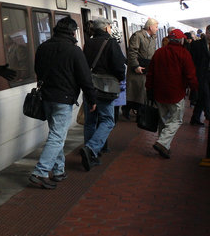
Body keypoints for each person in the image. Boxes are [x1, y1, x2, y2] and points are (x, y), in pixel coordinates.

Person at [31, 16, 97, 189]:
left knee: (55, 134)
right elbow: (85, 78)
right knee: (57, 136)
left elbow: (37, 70)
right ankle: (41, 172)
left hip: (46, 97)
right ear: (72, 32)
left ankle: (59, 170)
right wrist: (92, 99)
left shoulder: (42, 47)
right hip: (63, 99)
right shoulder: (74, 51)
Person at [80, 18, 126, 170]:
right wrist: (119, 78)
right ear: (106, 28)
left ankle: (91, 153)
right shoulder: (111, 42)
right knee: (108, 120)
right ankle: (91, 149)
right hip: (106, 88)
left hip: (89, 87)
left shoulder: (88, 43)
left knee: (90, 121)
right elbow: (119, 66)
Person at [145, 29, 198, 159]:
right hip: (176, 93)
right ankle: (162, 142)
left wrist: (149, 89)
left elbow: (150, 73)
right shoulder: (184, 54)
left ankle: (165, 147)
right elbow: (190, 74)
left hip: (159, 92)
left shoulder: (158, 53)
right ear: (181, 40)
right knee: (176, 120)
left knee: (163, 120)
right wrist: (195, 89)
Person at [125, 18, 158, 119]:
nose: (157, 29)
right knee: (135, 91)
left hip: (147, 67)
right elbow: (132, 52)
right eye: (156, 27)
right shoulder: (138, 36)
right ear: (150, 27)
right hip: (137, 68)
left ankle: (140, 112)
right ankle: (127, 109)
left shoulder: (153, 37)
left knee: (142, 92)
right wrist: (135, 66)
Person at [187, 24, 210, 126]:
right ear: (207, 33)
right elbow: (192, 60)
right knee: (206, 95)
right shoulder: (197, 44)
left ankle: (195, 118)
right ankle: (209, 116)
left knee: (202, 98)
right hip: (200, 74)